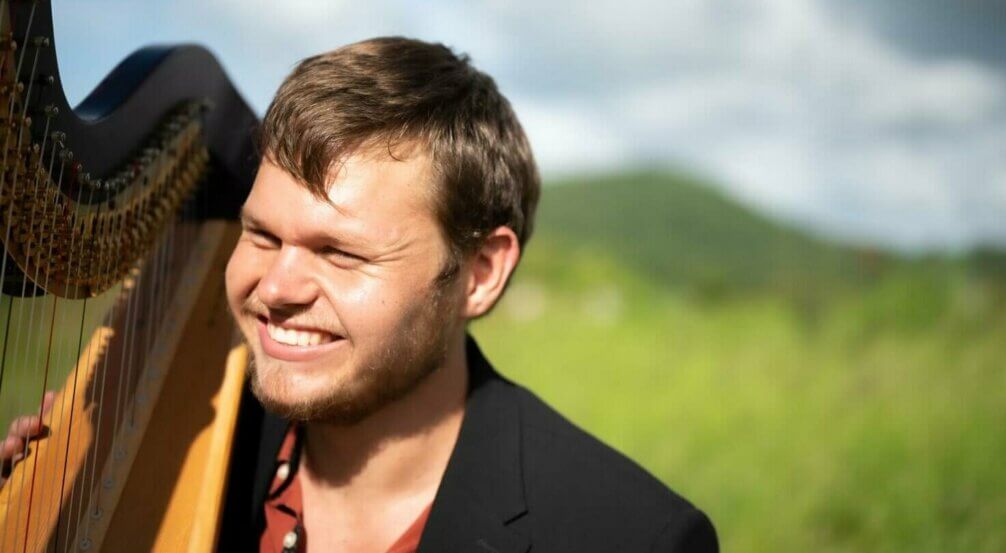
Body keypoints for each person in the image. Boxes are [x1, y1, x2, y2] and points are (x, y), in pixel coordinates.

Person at [4, 37, 717, 552]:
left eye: (340, 252)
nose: (274, 289)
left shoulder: (631, 535)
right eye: (260, 234)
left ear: (481, 271)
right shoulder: (196, 427)